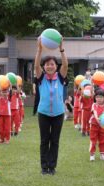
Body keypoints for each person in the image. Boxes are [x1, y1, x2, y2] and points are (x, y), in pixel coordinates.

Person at [34, 37, 68, 175]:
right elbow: (36, 65)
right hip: (43, 113)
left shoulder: (60, 77)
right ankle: (44, 167)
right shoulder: (41, 77)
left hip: (58, 114)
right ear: (44, 67)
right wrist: (39, 49)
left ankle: (52, 167)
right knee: (44, 141)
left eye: (52, 64)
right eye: (47, 64)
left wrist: (61, 48)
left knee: (54, 141)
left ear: (56, 66)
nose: (49, 66)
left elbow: (65, 64)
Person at [89, 90, 104, 161]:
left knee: (103, 140)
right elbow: (95, 112)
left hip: (103, 126)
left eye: (101, 97)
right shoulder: (94, 105)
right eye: (97, 97)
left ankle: (102, 154)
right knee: (93, 139)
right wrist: (97, 119)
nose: (99, 99)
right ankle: (92, 154)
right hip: (94, 125)